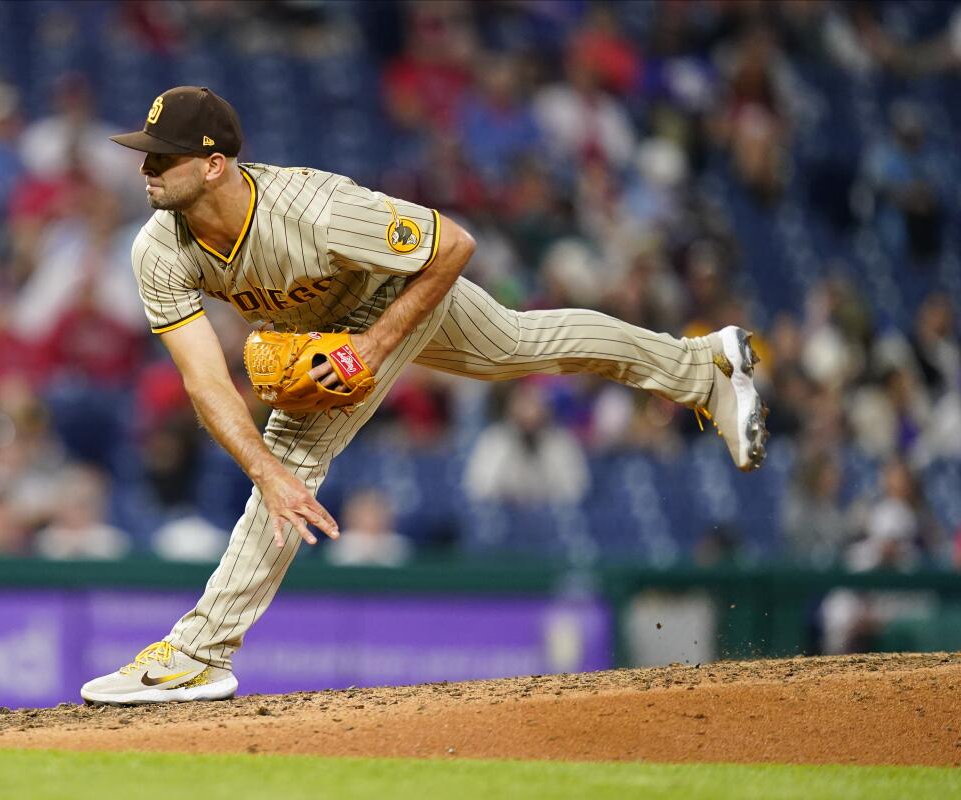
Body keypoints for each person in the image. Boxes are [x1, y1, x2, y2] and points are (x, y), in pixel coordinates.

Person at [80, 86, 768, 705]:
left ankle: (201, 653)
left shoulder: (316, 212)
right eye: (144, 156)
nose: (145, 170)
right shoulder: (158, 251)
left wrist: (371, 351)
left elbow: (454, 244)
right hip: (326, 325)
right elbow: (204, 380)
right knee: (517, 345)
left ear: (212, 165)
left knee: (298, 448)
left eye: (160, 158)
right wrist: (263, 471)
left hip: (395, 290)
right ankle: (701, 367)